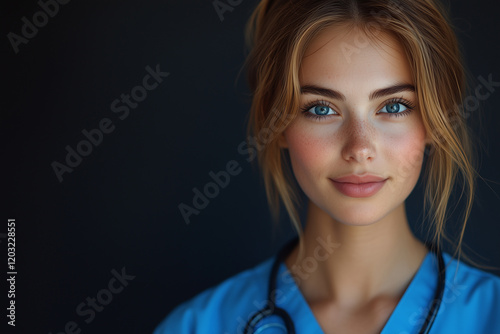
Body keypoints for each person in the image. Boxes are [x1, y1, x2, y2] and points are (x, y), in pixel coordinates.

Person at [154, 0, 500, 333]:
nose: (360, 148)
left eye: (394, 106)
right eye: (321, 109)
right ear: (276, 125)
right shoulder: (197, 327)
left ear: (436, 121)